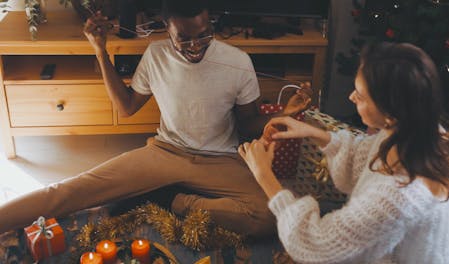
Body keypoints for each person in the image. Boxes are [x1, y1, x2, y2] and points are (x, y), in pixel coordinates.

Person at [0, 0, 310, 237]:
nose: (195, 47)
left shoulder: (237, 60)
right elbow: (126, 107)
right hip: (166, 152)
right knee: (68, 192)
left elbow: (248, 124)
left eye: (204, 36)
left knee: (273, 213)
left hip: (221, 159)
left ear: (210, 22)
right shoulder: (156, 54)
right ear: (168, 28)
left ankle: (169, 199)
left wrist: (285, 113)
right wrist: (100, 52)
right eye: (184, 39)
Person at [239, 42, 449, 263]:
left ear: (390, 111)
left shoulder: (400, 196)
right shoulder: (415, 130)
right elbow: (364, 157)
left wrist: (264, 175)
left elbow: (315, 244)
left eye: (360, 95)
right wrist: (314, 132)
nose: (351, 97)